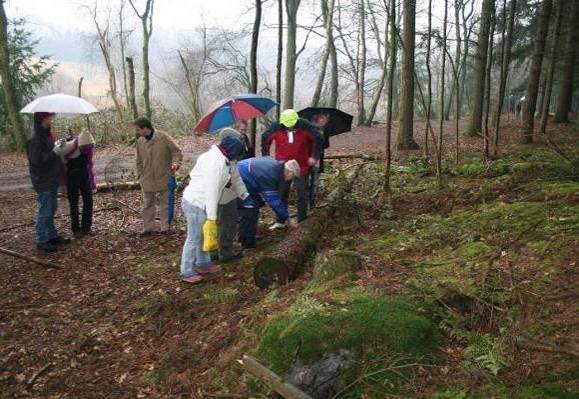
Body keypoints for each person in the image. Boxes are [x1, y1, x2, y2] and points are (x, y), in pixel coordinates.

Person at [180, 136, 245, 284]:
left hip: (202, 202)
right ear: (232, 151)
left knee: (202, 235)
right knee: (194, 238)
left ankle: (203, 263)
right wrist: (212, 216)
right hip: (196, 202)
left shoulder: (221, 158)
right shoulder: (216, 162)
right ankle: (187, 270)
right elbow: (212, 190)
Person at [261, 109, 323, 227]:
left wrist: (314, 156)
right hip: (282, 166)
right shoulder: (276, 127)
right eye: (287, 125)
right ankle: (281, 220)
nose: (290, 127)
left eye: (293, 124)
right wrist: (266, 157)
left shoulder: (305, 125)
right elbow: (265, 139)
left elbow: (318, 139)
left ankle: (302, 220)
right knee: (281, 193)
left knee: (302, 193)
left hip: (302, 166)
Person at [26, 112, 70, 252]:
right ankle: (41, 240)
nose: (51, 119)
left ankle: (51, 236)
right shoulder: (35, 139)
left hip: (51, 178)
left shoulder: (44, 135)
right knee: (45, 210)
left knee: (51, 209)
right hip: (43, 180)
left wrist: (57, 145)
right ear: (43, 119)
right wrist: (55, 152)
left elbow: (48, 152)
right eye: (49, 117)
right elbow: (37, 161)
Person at [237, 157, 300, 249]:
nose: (291, 180)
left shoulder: (276, 165)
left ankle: (245, 238)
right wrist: (288, 219)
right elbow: (274, 200)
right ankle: (248, 244)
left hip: (244, 178)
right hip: (240, 179)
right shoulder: (272, 174)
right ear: (289, 172)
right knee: (250, 208)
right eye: (292, 177)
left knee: (252, 207)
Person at [134, 117, 183, 235]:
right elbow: (138, 160)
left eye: (138, 129)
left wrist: (176, 163)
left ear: (145, 128)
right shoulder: (140, 141)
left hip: (164, 175)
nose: (137, 132)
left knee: (164, 203)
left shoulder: (163, 137)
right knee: (147, 204)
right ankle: (148, 228)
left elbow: (177, 152)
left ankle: (164, 227)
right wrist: (139, 174)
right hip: (146, 177)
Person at [215, 127, 251, 263]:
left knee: (230, 224)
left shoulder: (231, 158)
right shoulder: (217, 158)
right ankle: (223, 253)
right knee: (223, 225)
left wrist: (244, 194)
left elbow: (236, 176)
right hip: (221, 198)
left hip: (230, 196)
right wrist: (226, 182)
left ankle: (224, 251)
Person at [64, 129, 96, 237]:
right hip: (71, 175)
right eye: (83, 148)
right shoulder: (69, 146)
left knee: (88, 200)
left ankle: (86, 227)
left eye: (87, 148)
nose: (85, 150)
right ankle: (76, 229)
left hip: (84, 174)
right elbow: (57, 158)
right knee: (74, 202)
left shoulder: (90, 147)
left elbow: (90, 164)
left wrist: (93, 183)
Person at [308, 112, 331, 208]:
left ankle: (313, 198)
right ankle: (308, 200)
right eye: (323, 119)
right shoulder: (310, 129)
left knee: (316, 177)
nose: (325, 121)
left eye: (326, 120)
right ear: (317, 118)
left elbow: (326, 145)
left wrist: (324, 137)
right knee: (309, 177)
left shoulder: (325, 130)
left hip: (318, 157)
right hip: (309, 157)